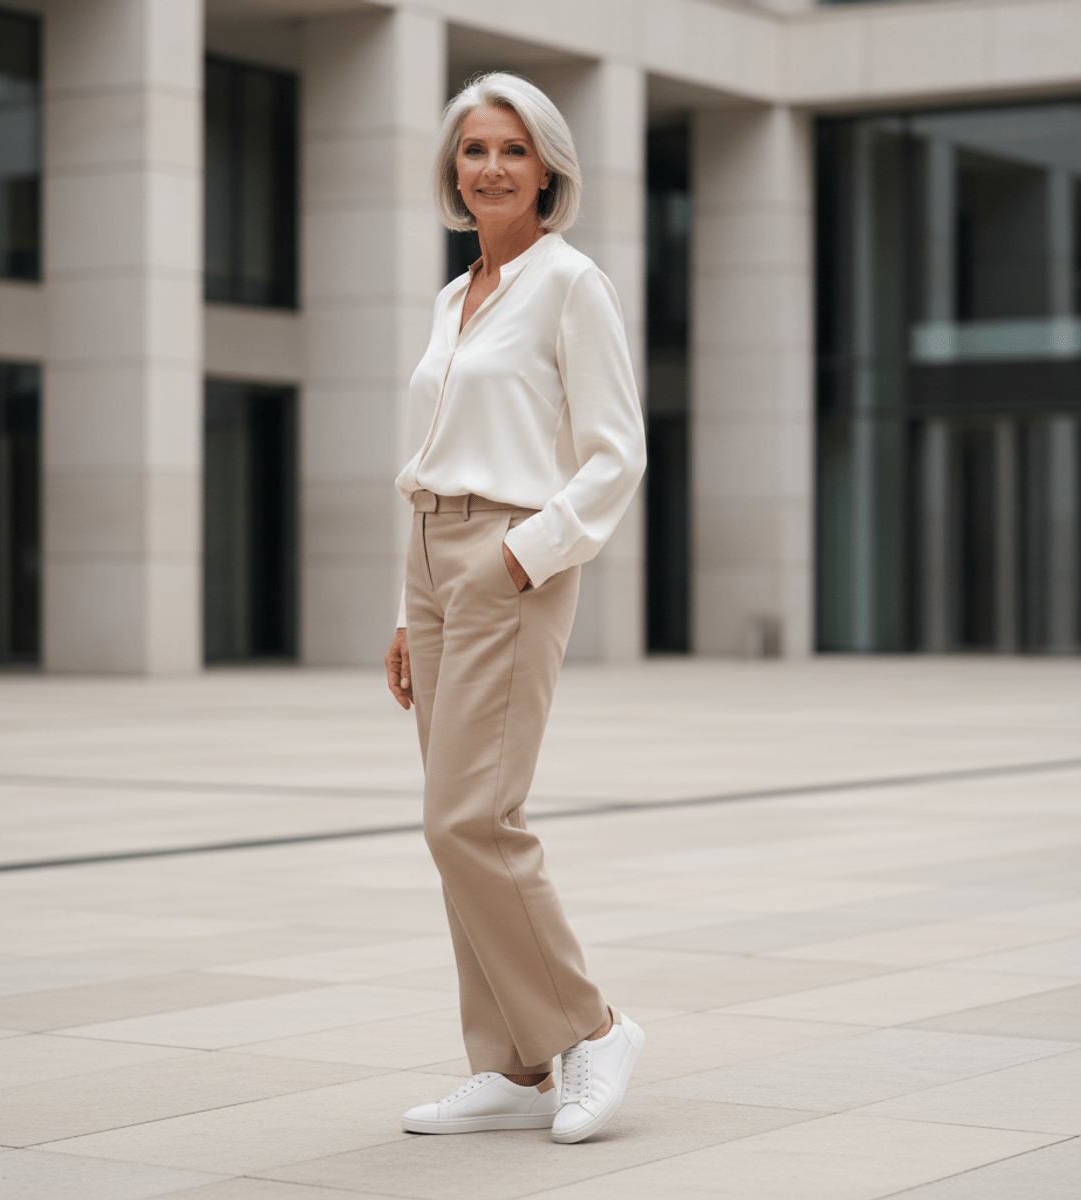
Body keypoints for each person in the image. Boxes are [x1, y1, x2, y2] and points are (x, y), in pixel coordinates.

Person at [383, 72, 647, 1145]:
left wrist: (521, 558)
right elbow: (437, 447)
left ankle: (591, 1029)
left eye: (511, 151)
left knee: (471, 818)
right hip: (430, 550)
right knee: (453, 831)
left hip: (508, 553)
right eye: (473, 150)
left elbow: (614, 455)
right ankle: (506, 1061)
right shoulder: (455, 297)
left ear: (549, 170)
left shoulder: (571, 283)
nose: (489, 167)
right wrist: (411, 604)